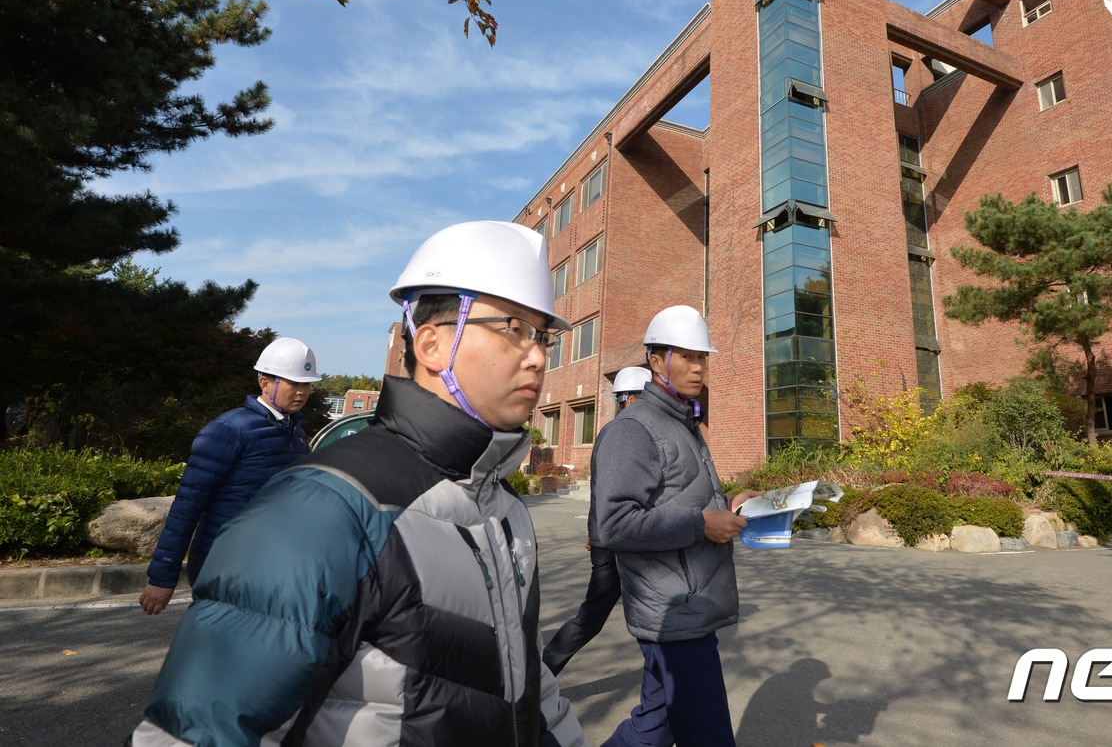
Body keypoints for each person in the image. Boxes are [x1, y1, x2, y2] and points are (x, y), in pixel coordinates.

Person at [131, 221, 586, 746]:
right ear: (434, 344)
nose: (536, 355)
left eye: (543, 336)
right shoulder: (325, 507)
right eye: (513, 327)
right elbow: (200, 729)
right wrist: (164, 573)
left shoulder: (505, 509)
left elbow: (522, 675)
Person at [592, 306, 762, 747]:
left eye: (701, 357)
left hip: (689, 606)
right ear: (655, 360)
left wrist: (728, 505)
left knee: (653, 725)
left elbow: (681, 500)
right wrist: (702, 524)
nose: (697, 367)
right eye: (685, 357)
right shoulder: (633, 429)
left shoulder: (684, 422)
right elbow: (614, 525)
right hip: (673, 613)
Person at [138, 337, 320, 616]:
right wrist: (162, 577)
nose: (301, 392)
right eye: (293, 383)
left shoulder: (295, 433)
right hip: (223, 559)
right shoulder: (227, 430)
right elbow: (187, 505)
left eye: (306, 384)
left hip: (271, 560)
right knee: (220, 649)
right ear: (265, 382)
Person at [542, 365, 652, 675]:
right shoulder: (626, 433)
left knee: (636, 615)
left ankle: (539, 674)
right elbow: (614, 493)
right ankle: (538, 675)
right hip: (620, 543)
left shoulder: (612, 431)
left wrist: (596, 531)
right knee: (595, 617)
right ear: (628, 399)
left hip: (611, 539)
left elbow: (600, 489)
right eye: (645, 398)